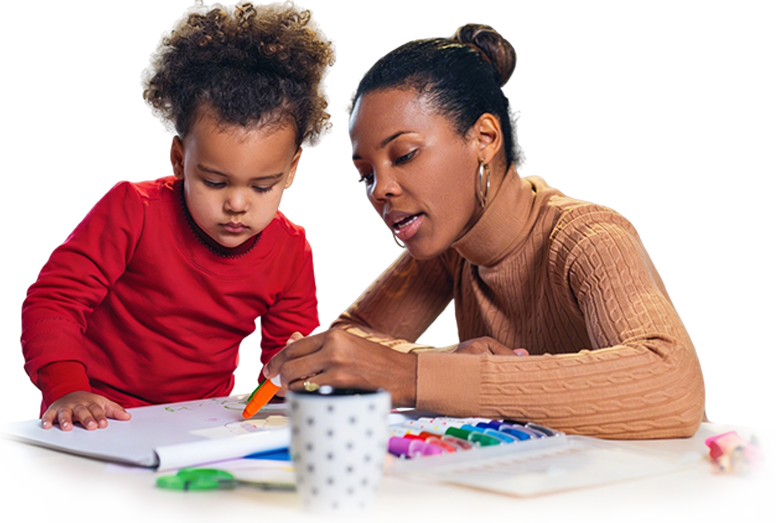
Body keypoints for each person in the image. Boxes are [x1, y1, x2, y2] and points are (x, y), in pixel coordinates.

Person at [265, 25, 704, 439]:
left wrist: (414, 377)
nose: (381, 189)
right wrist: (435, 367)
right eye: (366, 174)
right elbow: (353, 339)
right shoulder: (451, 248)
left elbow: (671, 381)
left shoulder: (588, 239)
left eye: (404, 155)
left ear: (485, 138)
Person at [23, 5, 338, 431]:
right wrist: (67, 390)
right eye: (213, 182)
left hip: (196, 421)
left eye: (263, 186)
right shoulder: (134, 211)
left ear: (292, 171)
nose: (238, 205)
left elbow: (283, 363)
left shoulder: (290, 251)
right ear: (179, 160)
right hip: (97, 413)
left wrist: (296, 376)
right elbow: (55, 302)